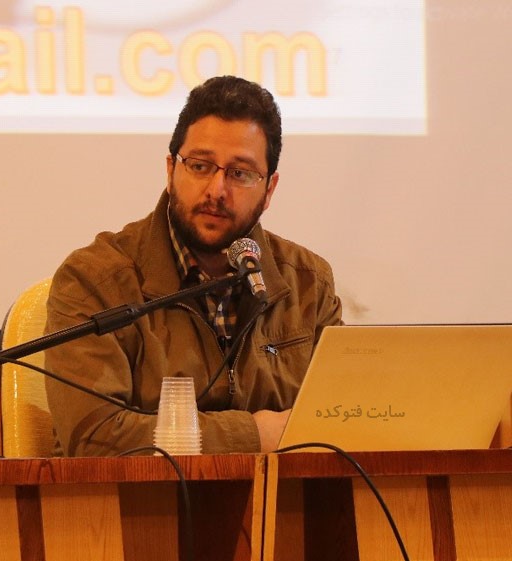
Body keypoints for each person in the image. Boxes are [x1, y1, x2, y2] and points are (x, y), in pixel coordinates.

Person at [44, 76, 343, 456]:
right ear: (171, 170)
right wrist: (253, 435)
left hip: (283, 494)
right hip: (143, 496)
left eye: (240, 173)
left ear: (269, 190)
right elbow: (94, 439)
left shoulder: (308, 284)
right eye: (200, 166)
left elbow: (344, 420)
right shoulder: (95, 280)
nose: (216, 190)